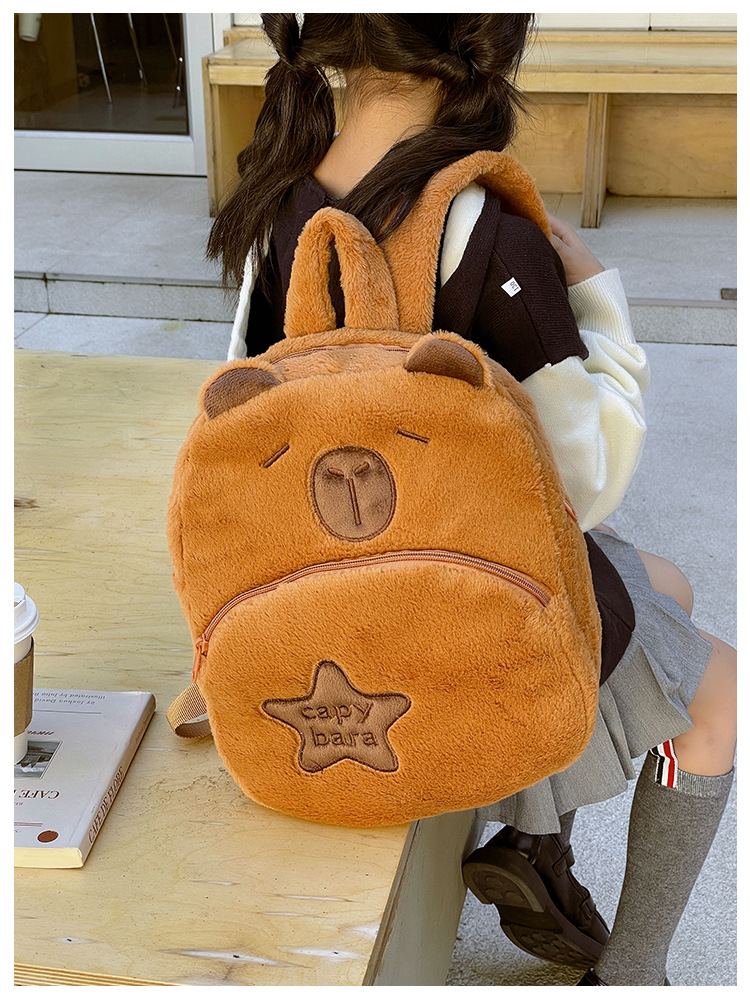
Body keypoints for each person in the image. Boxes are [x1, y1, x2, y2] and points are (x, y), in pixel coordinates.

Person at [206, 14, 736, 987]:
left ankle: (535, 842)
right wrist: (600, 304)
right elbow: (585, 484)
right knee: (721, 696)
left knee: (665, 586)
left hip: (324, 596)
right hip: (448, 614)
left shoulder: (278, 195)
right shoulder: (486, 230)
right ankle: (635, 970)